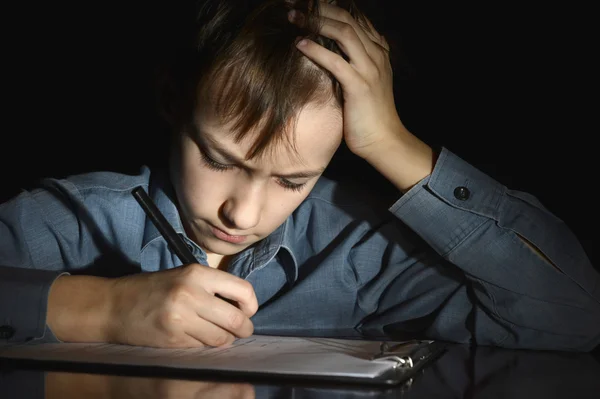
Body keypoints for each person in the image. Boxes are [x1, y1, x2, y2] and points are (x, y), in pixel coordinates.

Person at [0, 0, 598, 352]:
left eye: (292, 181)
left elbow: (574, 314)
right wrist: (98, 310)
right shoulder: (75, 218)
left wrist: (392, 144)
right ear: (173, 102)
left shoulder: (359, 251)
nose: (243, 214)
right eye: (218, 158)